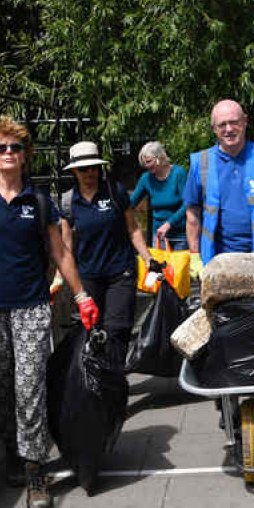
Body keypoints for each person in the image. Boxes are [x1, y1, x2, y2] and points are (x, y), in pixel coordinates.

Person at [0, 118, 96, 508]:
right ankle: (13, 455)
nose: (8, 154)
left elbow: (60, 254)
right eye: (0, 148)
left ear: (26, 154)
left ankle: (35, 470)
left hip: (30, 307)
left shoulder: (38, 200)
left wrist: (81, 296)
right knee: (0, 387)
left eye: (15, 148)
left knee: (29, 385)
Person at [50, 140, 162, 371]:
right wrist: (59, 278)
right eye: (83, 169)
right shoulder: (69, 202)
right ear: (74, 171)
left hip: (121, 272)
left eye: (93, 167)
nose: (90, 172)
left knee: (118, 330)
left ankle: (116, 382)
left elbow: (132, 229)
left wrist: (149, 259)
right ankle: (100, 382)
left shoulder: (114, 191)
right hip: (88, 276)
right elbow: (65, 246)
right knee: (93, 331)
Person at [184, 99, 254, 274]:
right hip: (217, 260)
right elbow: (192, 213)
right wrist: (194, 255)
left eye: (234, 122)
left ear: (245, 121)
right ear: (214, 128)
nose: (228, 129)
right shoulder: (201, 163)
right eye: (222, 124)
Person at [129, 141, 188, 249]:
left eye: (148, 161)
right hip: (159, 236)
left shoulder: (179, 174)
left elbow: (188, 204)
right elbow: (130, 203)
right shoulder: (146, 178)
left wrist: (170, 223)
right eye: (144, 163)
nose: (146, 165)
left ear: (160, 157)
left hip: (180, 235)